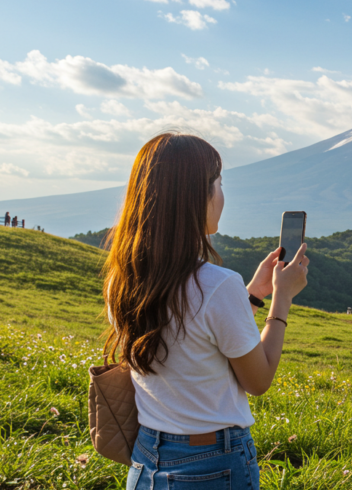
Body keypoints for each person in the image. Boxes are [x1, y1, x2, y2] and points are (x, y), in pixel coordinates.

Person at [102, 133, 308, 490]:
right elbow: (258, 381)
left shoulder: (123, 280)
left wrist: (253, 296)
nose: (221, 194)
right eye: (218, 182)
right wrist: (282, 297)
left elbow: (190, 335)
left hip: (147, 457)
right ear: (195, 197)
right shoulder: (216, 285)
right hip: (213, 463)